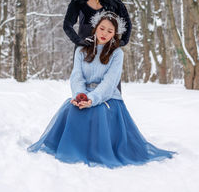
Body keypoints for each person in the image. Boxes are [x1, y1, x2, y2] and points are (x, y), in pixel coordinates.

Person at [28, 12, 175, 168]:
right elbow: (76, 77)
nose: (104, 33)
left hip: (108, 97)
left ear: (115, 34)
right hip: (84, 93)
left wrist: (92, 100)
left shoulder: (117, 53)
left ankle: (98, 151)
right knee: (71, 108)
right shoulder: (81, 50)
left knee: (98, 111)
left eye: (110, 31)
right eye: (102, 28)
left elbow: (110, 83)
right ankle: (74, 148)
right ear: (95, 28)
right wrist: (80, 96)